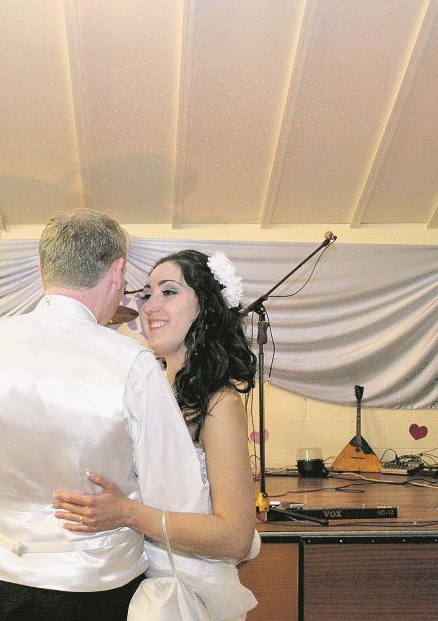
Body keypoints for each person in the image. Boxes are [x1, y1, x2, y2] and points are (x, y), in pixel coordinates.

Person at [0, 210, 210, 621]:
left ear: (44, 269)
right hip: (94, 595)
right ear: (117, 272)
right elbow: (178, 500)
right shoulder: (130, 363)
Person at [53, 249, 260, 620]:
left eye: (169, 291)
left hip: (181, 598)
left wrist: (127, 512)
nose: (148, 308)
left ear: (206, 309)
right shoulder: (149, 389)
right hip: (126, 580)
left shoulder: (220, 403)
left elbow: (235, 537)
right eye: (147, 293)